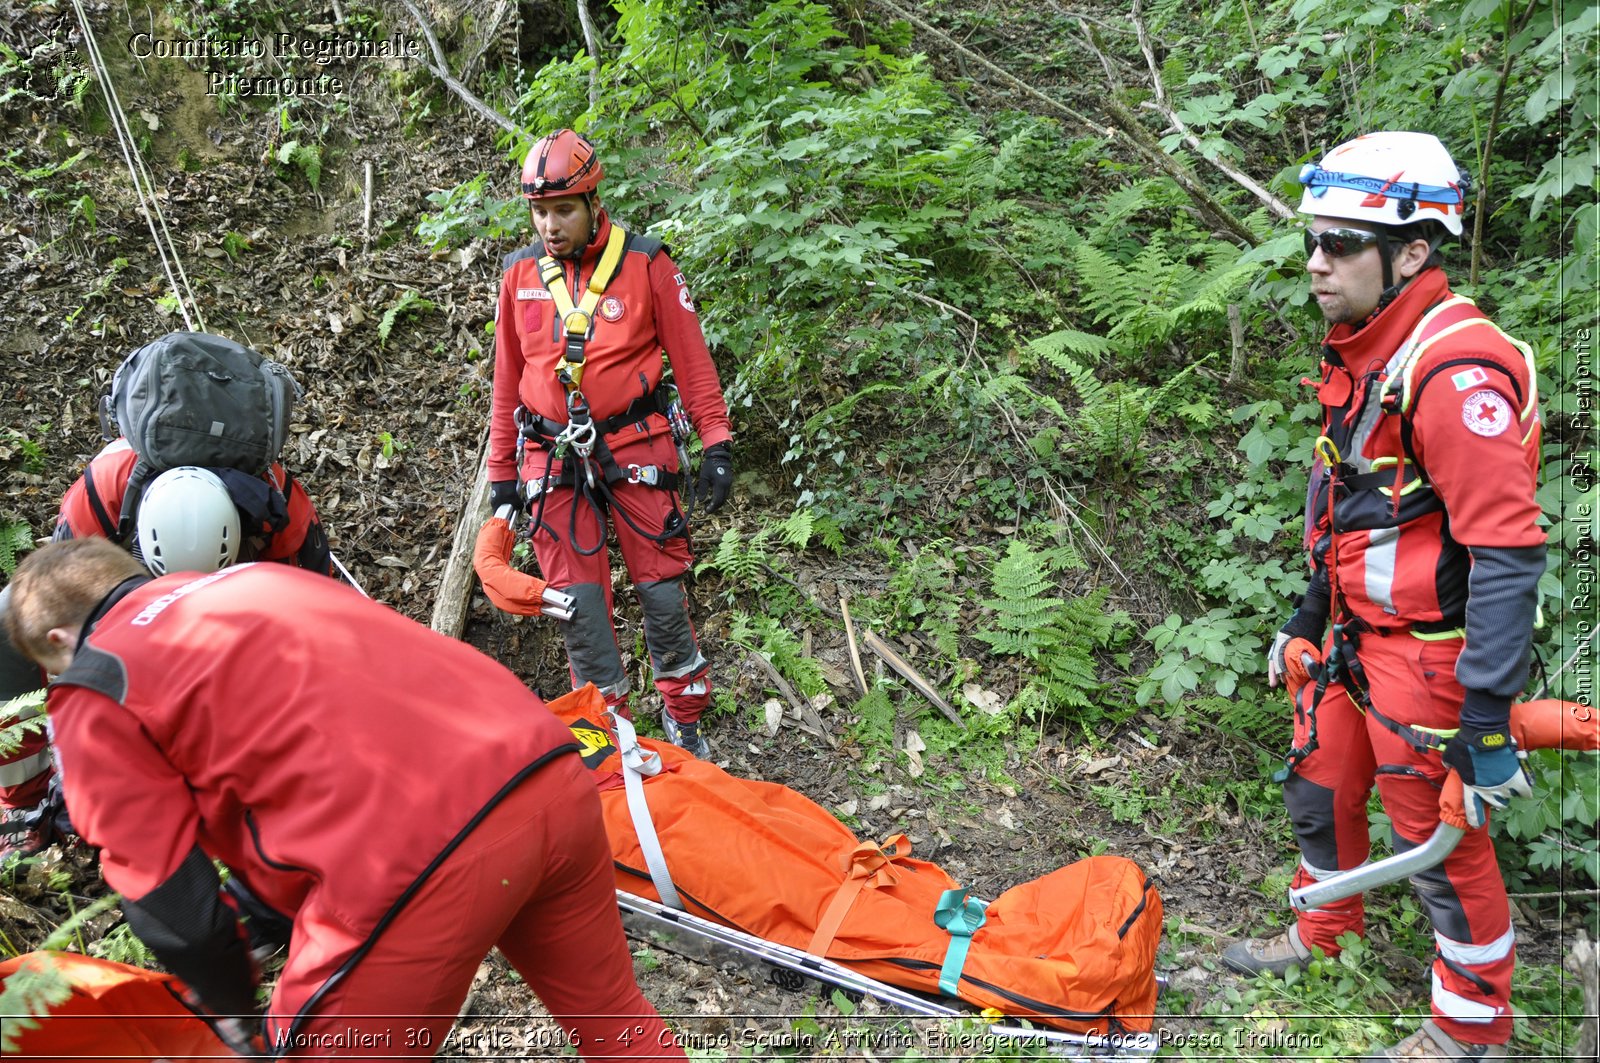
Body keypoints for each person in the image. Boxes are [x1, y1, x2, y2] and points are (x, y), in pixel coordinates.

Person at [4, 538, 687, 1060]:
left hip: (418, 855)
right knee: (612, 1015)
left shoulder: (96, 685)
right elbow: (320, 748)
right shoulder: (253, 579)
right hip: (547, 773)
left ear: (60, 642)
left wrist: (237, 1011)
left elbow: (168, 900)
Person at [1221, 132, 1543, 1061]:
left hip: (1427, 654)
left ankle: (1471, 1030)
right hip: (1354, 639)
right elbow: (1356, 500)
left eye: (1344, 244)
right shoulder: (1367, 345)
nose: (1319, 262)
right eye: (1313, 241)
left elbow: (1508, 552)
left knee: (1440, 843)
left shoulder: (1454, 369)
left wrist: (1484, 713)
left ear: (1412, 251)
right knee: (1320, 788)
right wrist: (1309, 614)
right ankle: (1326, 929)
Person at [489, 128, 734, 758]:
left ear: (595, 202)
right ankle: (609, 740)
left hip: (636, 444)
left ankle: (687, 723)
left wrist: (717, 442)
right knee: (579, 609)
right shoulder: (519, 276)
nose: (549, 225)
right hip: (550, 455)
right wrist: (502, 477)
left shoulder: (646, 263)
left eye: (563, 209)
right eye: (539, 212)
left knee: (662, 592)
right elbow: (507, 382)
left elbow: (693, 362)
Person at [0, 433, 335, 861]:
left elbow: (312, 622)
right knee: (7, 615)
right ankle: (26, 803)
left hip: (237, 593)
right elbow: (56, 603)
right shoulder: (101, 494)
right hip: (125, 584)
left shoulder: (278, 508)